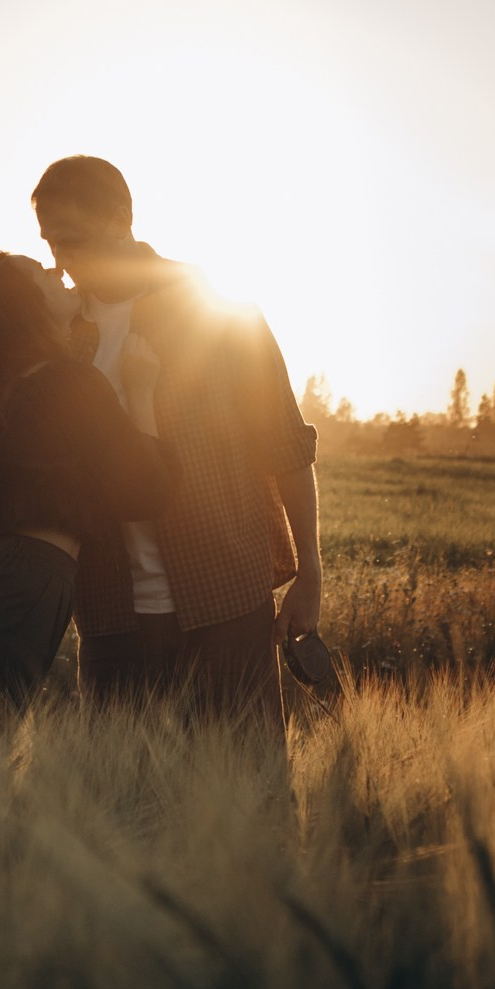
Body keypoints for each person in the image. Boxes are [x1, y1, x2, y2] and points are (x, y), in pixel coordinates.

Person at [30, 154, 323, 736]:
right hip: (111, 615)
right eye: (50, 244)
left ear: (121, 220)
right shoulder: (58, 333)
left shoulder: (212, 305)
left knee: (249, 800)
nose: (59, 264)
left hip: (226, 603)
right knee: (120, 813)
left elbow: (284, 444)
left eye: (71, 241)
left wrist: (310, 572)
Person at [0, 251, 170, 711]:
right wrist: (140, 391)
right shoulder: (65, 381)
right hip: (13, 594)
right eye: (42, 272)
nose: (58, 270)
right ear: (27, 305)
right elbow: (147, 487)